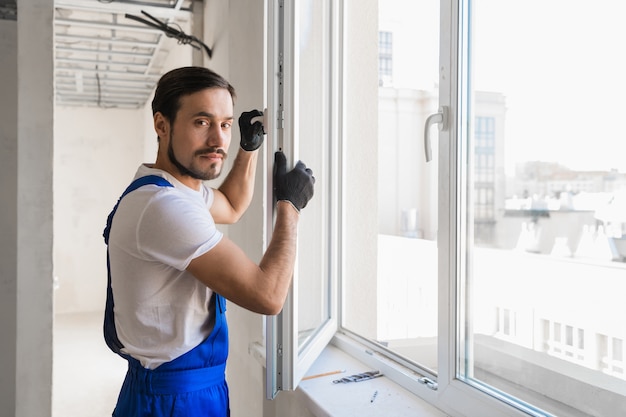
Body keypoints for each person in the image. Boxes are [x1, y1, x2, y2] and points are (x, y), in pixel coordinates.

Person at [102, 66, 315, 417]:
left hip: (187, 388)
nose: (218, 140)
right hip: (170, 400)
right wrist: (290, 208)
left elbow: (230, 206)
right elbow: (268, 295)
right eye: (202, 122)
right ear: (162, 125)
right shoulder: (163, 207)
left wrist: (249, 149)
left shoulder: (172, 189)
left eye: (226, 124)